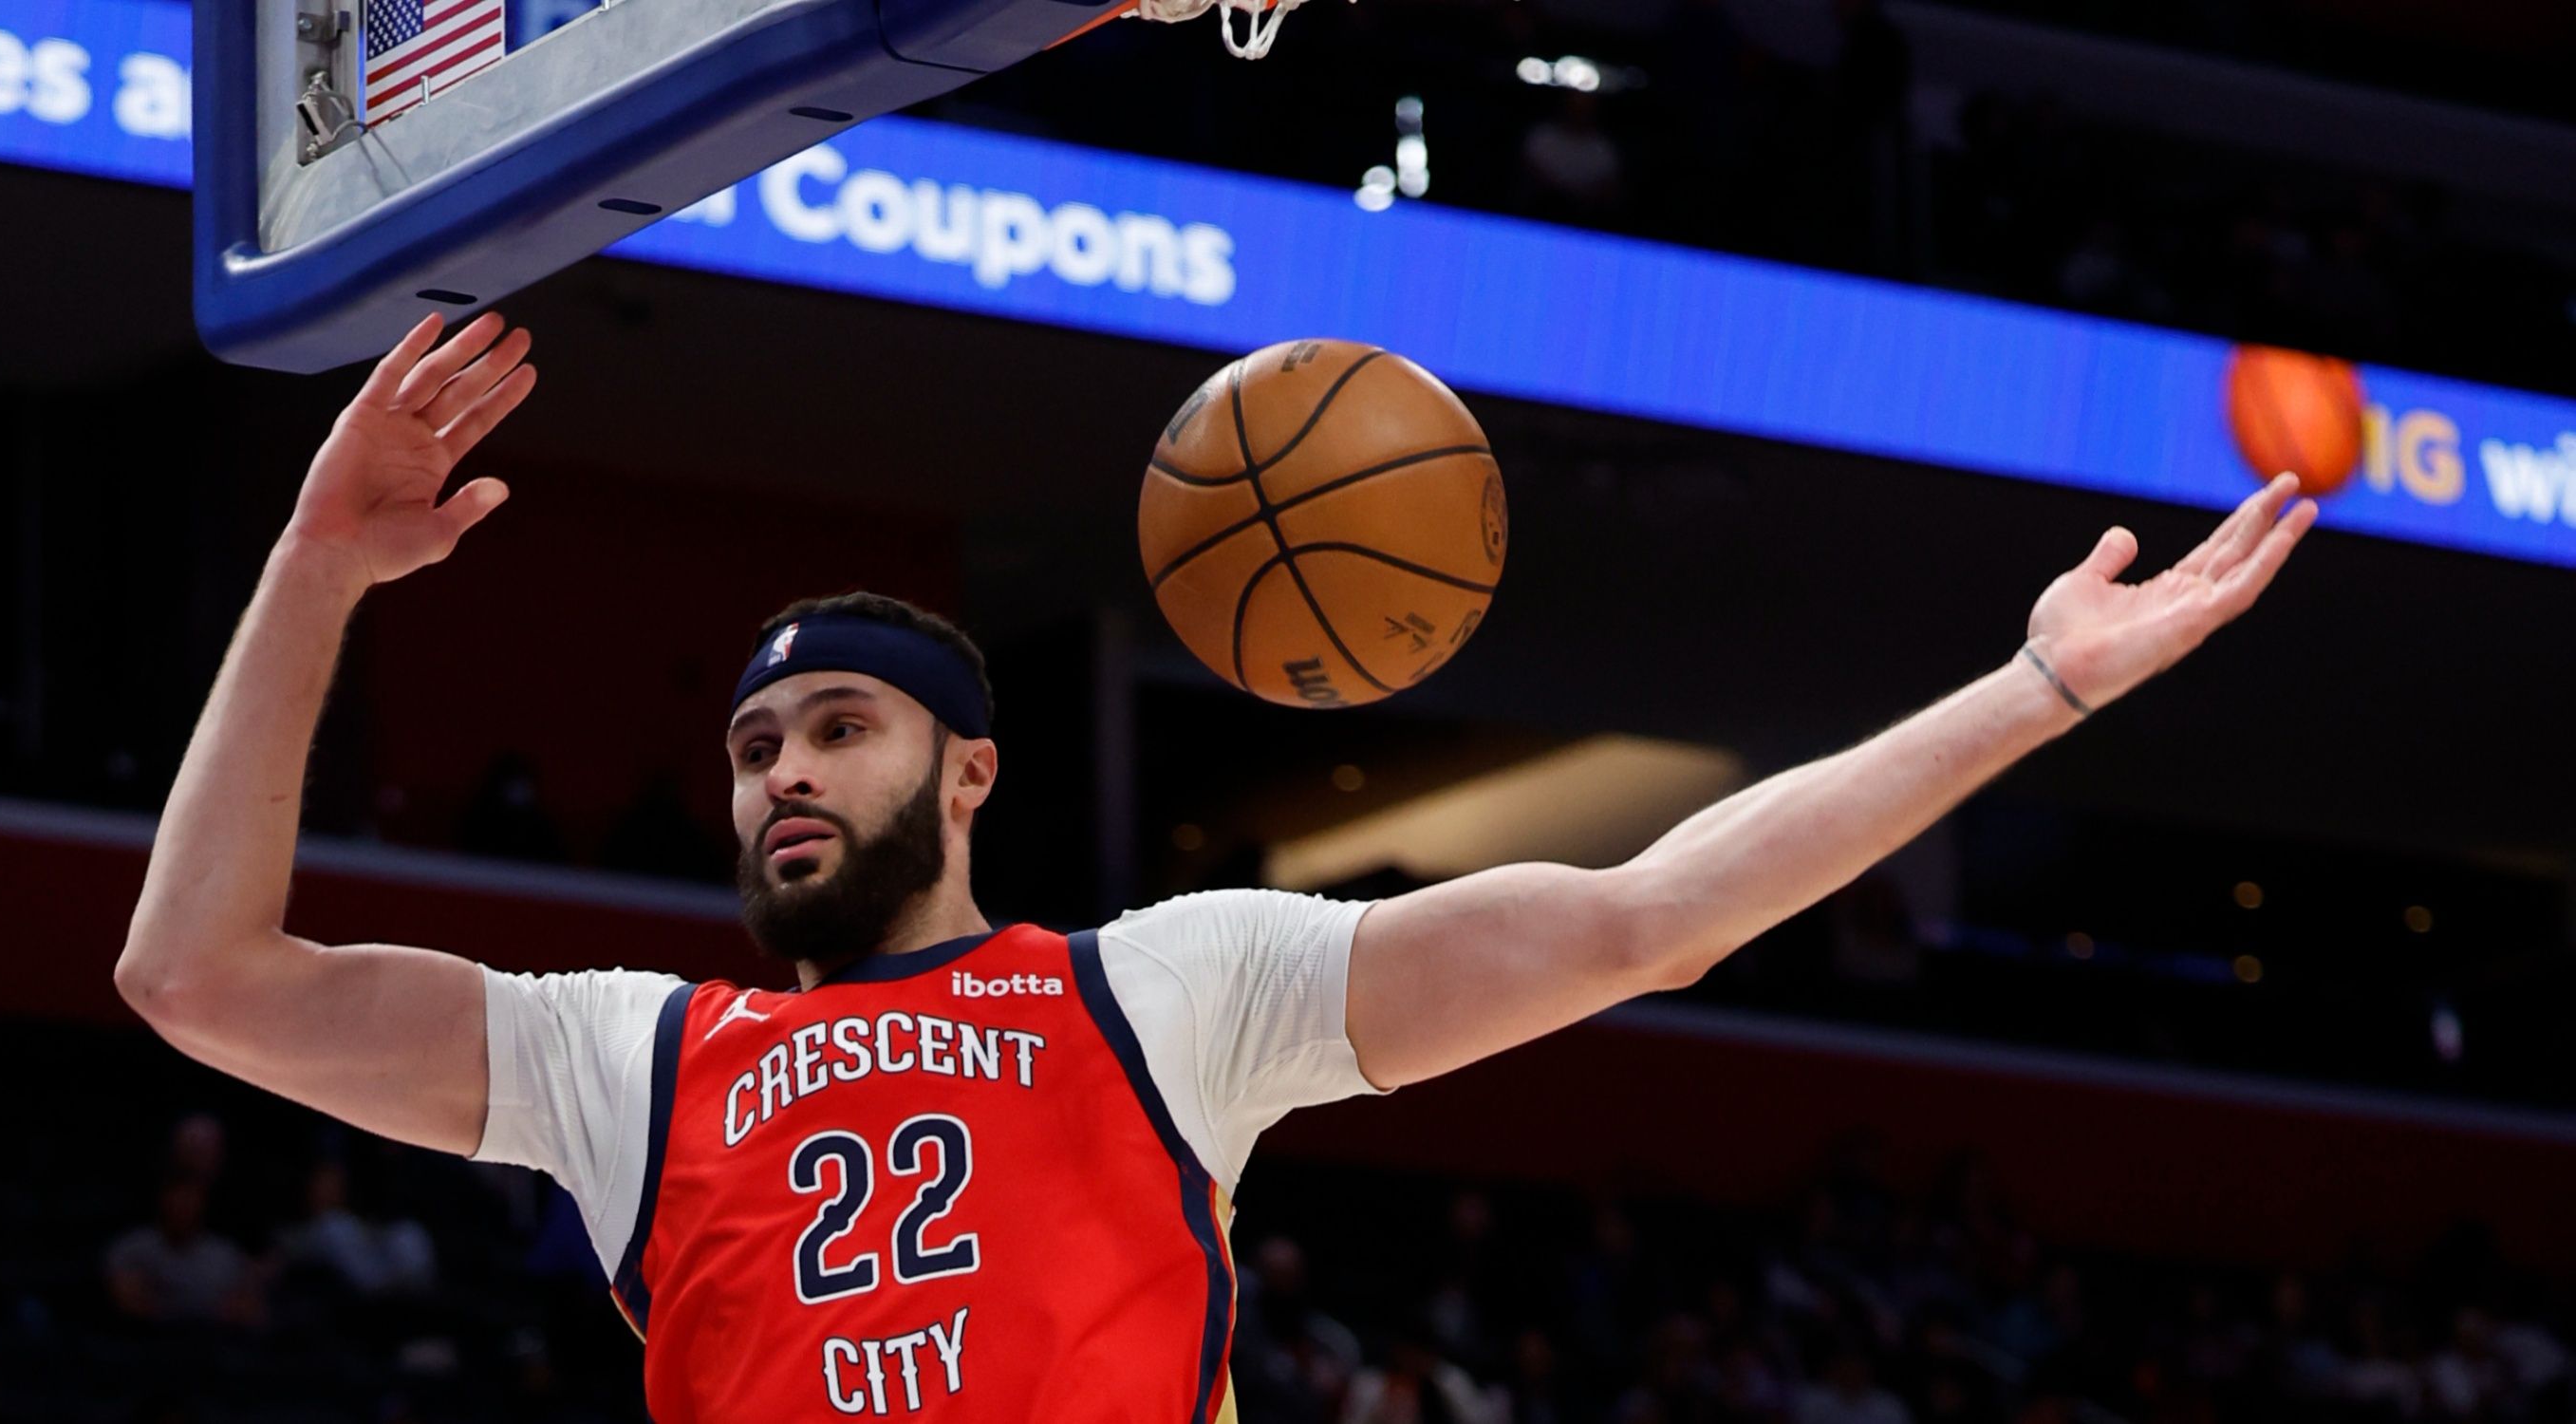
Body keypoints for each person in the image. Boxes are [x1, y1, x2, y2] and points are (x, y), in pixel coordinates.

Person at [113, 313, 2317, 1422]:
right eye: (754, 742)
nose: (782, 771)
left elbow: (1653, 918)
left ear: (969, 775)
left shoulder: (1166, 991)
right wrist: (314, 566)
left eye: (839, 728)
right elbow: (195, 978)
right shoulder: (633, 1062)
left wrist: (2033, 691)